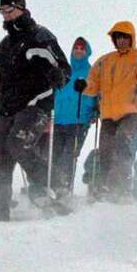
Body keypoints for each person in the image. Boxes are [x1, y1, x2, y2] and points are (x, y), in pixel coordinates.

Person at [0, 0, 70, 220]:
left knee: (18, 143)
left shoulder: (39, 35)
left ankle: (55, 184)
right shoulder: (6, 44)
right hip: (10, 107)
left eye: (9, 10)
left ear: (20, 7)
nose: (6, 16)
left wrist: (59, 74)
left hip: (36, 104)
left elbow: (63, 68)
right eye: (2, 11)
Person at [78, 21, 137, 201]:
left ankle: (124, 188)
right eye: (117, 37)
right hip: (109, 114)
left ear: (131, 38)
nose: (121, 41)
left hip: (133, 111)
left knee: (122, 141)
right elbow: (93, 84)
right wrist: (83, 86)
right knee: (105, 150)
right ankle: (105, 188)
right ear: (113, 39)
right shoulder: (104, 61)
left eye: (125, 37)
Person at [51, 37, 98, 194]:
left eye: (82, 49)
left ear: (87, 52)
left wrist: (97, 108)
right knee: (53, 155)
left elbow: (98, 92)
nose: (78, 51)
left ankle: (64, 189)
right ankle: (52, 187)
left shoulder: (92, 72)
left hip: (79, 120)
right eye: (76, 48)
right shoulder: (64, 71)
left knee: (68, 156)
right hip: (58, 120)